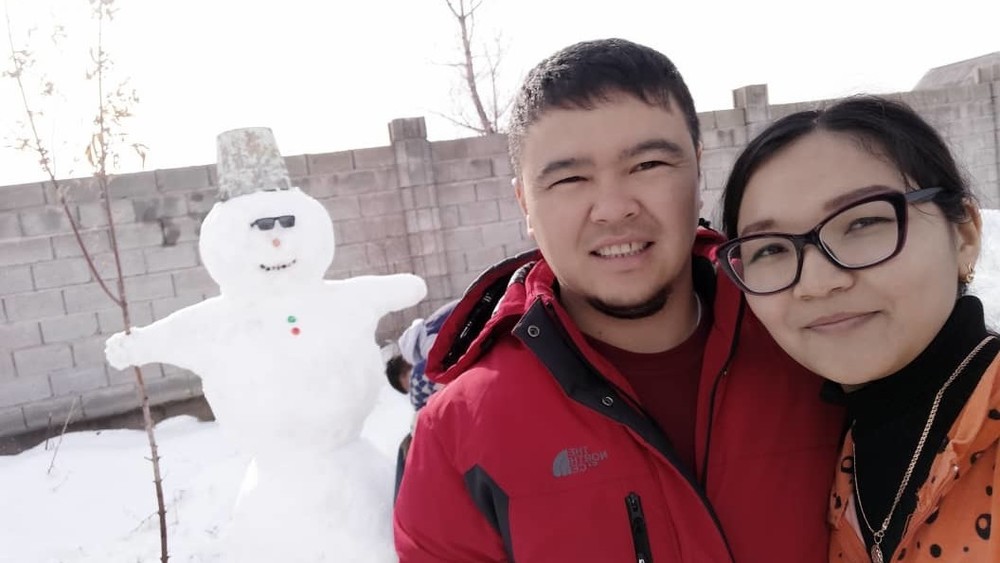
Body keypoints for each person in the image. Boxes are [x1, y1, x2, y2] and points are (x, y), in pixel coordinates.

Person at [393, 38, 844, 562]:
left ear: (698, 170)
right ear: (525, 204)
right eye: (570, 178)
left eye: (648, 164)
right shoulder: (459, 435)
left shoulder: (814, 343)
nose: (612, 208)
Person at [716, 96, 999, 562]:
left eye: (864, 222)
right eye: (771, 249)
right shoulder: (826, 449)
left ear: (964, 235)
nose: (817, 283)